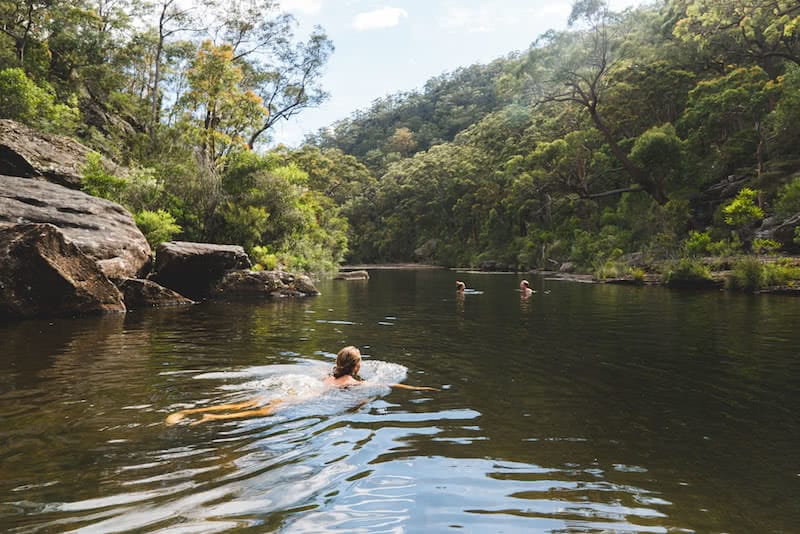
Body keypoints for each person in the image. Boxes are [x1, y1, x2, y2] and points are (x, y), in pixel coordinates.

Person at [165, 346, 438, 426]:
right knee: (260, 412)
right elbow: (388, 384)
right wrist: (420, 390)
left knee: (248, 403)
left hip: (296, 389)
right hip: (302, 400)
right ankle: (211, 417)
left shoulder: (330, 374)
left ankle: (189, 411)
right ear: (356, 366)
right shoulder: (351, 383)